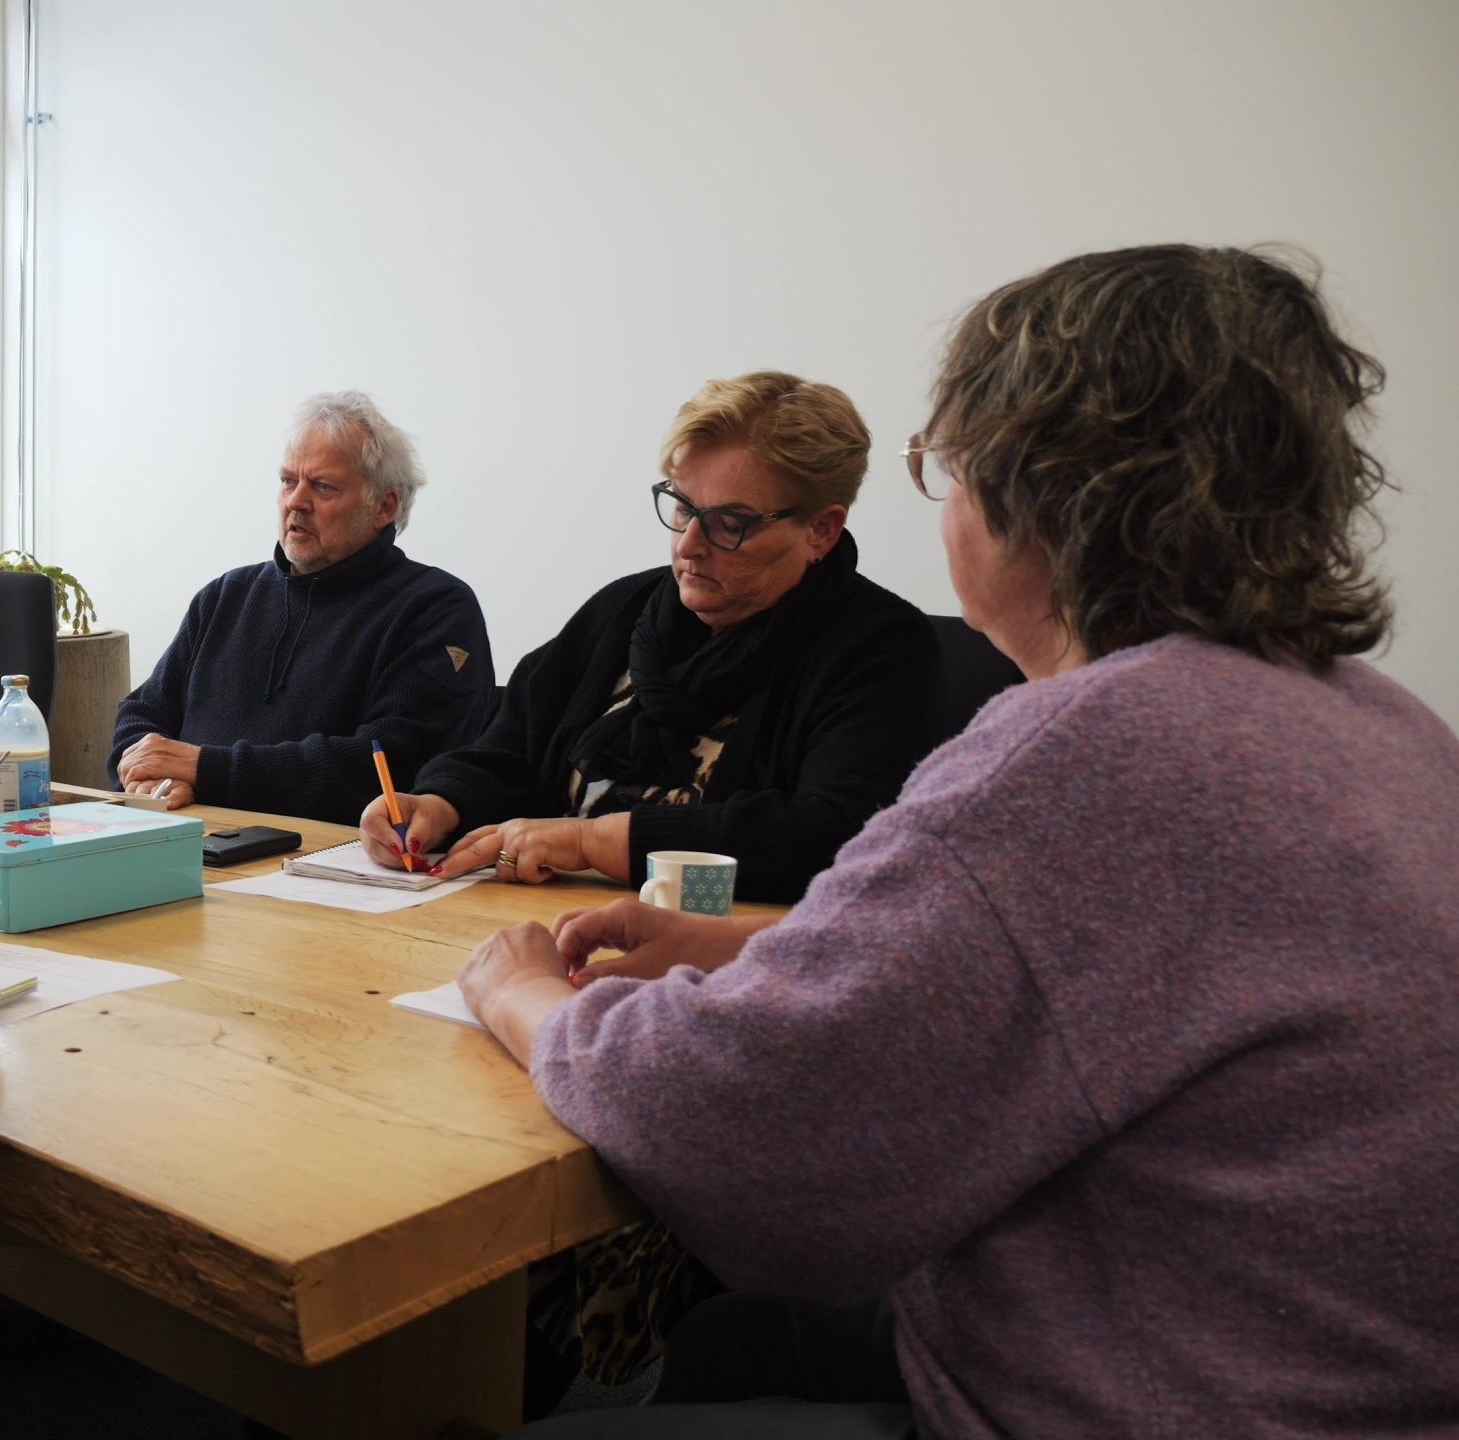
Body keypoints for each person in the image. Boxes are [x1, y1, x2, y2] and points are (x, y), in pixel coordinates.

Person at [464, 246, 1459, 1437]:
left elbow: (732, 1135)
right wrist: (743, 951)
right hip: (1338, 1365)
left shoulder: (1079, 753)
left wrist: (525, 998)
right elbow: (1102, 980)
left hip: (1168, 1397)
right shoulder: (1382, 722)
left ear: (1036, 496)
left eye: (945, 468)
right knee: (734, 1338)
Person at [360, 373, 941, 904]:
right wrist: (439, 803)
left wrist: (596, 842)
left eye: (730, 523)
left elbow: (829, 836)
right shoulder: (626, 610)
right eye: (683, 507)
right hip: (540, 919)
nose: (688, 545)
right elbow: (511, 748)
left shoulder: (882, 649)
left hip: (726, 949)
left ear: (820, 529)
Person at [110, 390, 495, 823]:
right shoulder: (226, 596)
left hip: (331, 852)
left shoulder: (434, 608)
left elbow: (392, 766)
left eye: (323, 486)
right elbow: (142, 714)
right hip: (185, 832)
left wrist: (206, 769)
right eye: (288, 481)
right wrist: (150, 776)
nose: (296, 501)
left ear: (384, 506)